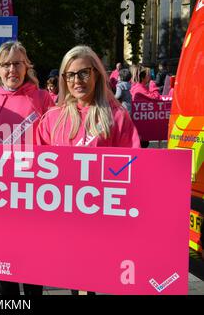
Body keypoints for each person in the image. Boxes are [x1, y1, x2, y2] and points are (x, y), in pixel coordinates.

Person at [36, 46, 140, 295]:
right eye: (69, 75)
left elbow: (133, 169)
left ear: (97, 74)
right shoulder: (52, 118)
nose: (76, 81)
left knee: (92, 283)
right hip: (65, 221)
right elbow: (37, 173)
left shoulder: (117, 117)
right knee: (75, 283)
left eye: (83, 73)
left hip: (102, 221)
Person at [0, 41, 54, 296]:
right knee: (4, 270)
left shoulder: (42, 98)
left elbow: (56, 143)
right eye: (6, 64)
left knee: (32, 268)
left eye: (17, 63)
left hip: (34, 197)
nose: (12, 70)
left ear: (26, 66)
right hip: (0, 199)